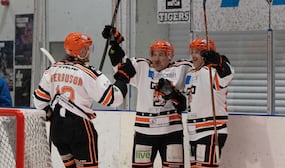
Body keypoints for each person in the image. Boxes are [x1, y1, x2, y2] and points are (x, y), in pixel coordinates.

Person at [33, 32, 135, 168]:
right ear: (81, 51)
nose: (88, 52)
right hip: (79, 128)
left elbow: (39, 101)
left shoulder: (52, 69)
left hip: (57, 129)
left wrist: (50, 113)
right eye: (86, 49)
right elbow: (114, 99)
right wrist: (122, 78)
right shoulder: (89, 73)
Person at [102, 25, 193, 168]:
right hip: (144, 132)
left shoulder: (182, 68)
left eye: (161, 55)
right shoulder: (141, 67)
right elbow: (120, 65)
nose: (156, 59)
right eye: (154, 54)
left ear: (170, 56)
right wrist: (114, 44)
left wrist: (174, 95)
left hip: (171, 132)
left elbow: (196, 89)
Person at [184, 37, 234, 168]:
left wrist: (218, 60)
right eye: (192, 51)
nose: (193, 55)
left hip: (211, 130)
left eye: (197, 52)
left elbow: (227, 75)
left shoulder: (212, 72)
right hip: (194, 132)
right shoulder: (191, 73)